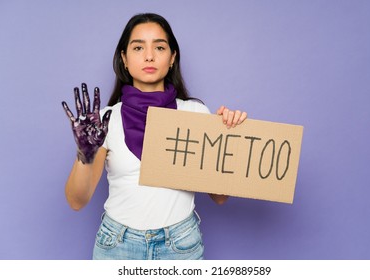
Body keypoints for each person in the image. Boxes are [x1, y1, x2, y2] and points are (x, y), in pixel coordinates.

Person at [62, 13, 247, 260]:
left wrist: (228, 137)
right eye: (138, 47)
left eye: (159, 47)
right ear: (124, 59)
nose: (149, 55)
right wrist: (85, 154)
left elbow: (220, 196)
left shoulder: (195, 113)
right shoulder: (103, 121)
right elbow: (77, 201)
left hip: (181, 245)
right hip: (118, 246)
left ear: (172, 58)